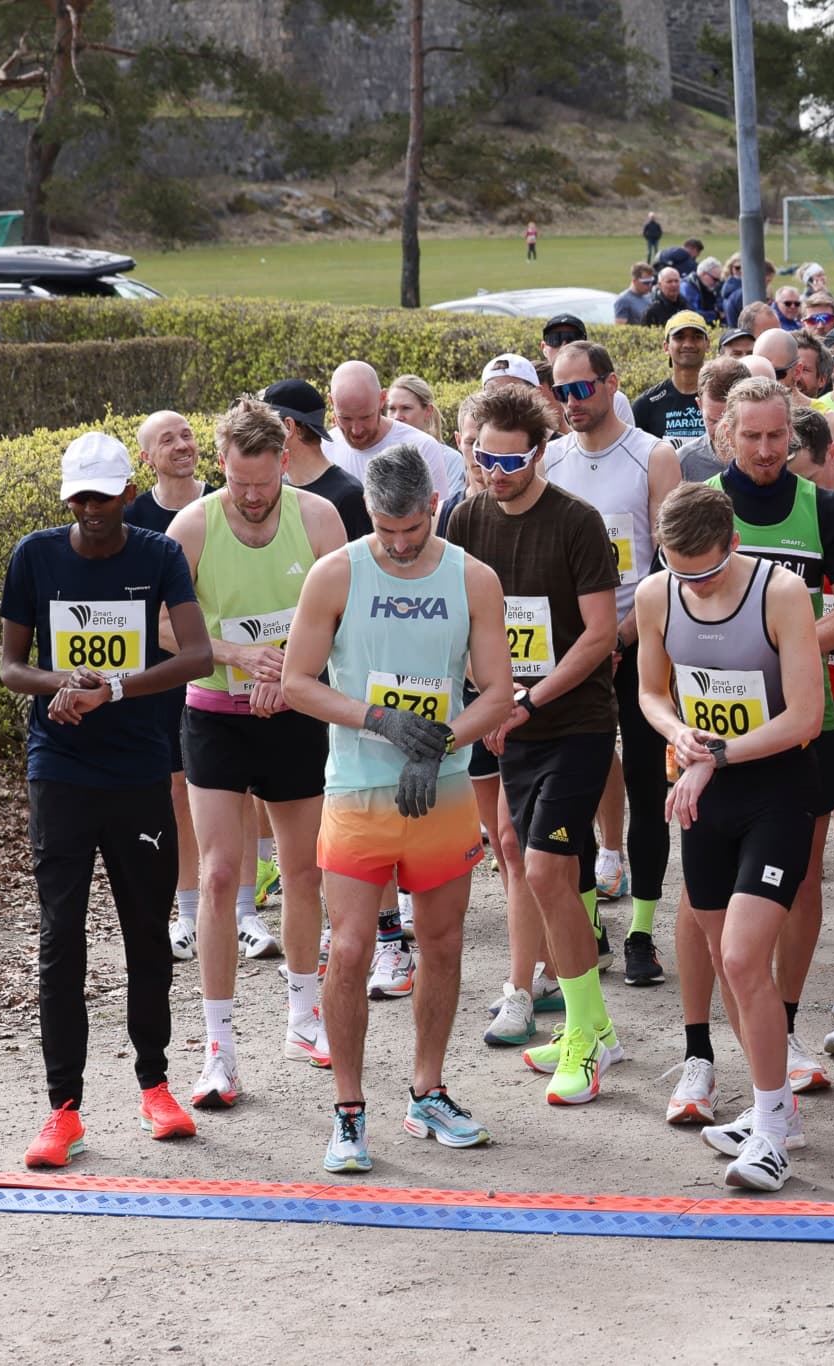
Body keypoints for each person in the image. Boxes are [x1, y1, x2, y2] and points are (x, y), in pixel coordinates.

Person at [281, 445, 514, 1172]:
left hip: (439, 786)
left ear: (435, 508)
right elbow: (296, 682)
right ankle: (348, 1113)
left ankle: (427, 1091)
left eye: (412, 528)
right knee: (349, 947)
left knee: (441, 945)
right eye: (386, 529)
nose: (400, 543)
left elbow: (499, 692)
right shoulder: (337, 573)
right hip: (357, 785)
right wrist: (378, 721)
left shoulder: (472, 577)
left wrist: (440, 739)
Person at [0, 433, 212, 1167]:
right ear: (68, 499)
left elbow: (197, 655)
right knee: (62, 940)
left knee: (147, 934)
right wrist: (58, 685)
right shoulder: (35, 556)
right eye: (78, 497)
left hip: (138, 772)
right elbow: (9, 663)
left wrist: (113, 688)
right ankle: (63, 1110)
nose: (90, 509)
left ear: (128, 493)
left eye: (103, 495)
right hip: (59, 771)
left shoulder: (157, 556)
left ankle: (155, 1086)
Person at [635, 484, 826, 1187]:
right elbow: (652, 692)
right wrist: (676, 731)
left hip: (773, 790)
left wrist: (716, 755)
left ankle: (773, 1127)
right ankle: (774, 1110)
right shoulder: (659, 594)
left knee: (745, 959)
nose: (695, 585)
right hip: (700, 792)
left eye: (708, 572)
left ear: (734, 546)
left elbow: (805, 716)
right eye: (680, 571)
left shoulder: (781, 594)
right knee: (727, 962)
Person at [446, 382, 628, 1102]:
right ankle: (593, 1024)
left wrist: (528, 697)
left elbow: (599, 635)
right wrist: (484, 694)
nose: (496, 471)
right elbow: (453, 620)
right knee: (522, 859)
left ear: (541, 451)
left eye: (510, 461)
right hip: (507, 724)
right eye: (484, 457)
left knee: (551, 870)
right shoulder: (464, 517)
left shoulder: (577, 523)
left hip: (575, 722)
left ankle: (586, 1035)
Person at [166, 399, 349, 1111]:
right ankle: (219, 1048)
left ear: (283, 461)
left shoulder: (319, 518)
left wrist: (291, 674)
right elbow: (162, 626)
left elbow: (342, 612)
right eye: (238, 482)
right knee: (217, 876)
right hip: (215, 715)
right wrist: (239, 656)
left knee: (304, 871)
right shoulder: (191, 527)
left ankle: (303, 1018)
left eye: (262, 481)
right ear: (223, 466)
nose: (249, 496)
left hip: (296, 714)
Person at [709, 378, 834, 1093]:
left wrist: (791, 642)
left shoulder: (823, 506)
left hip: (813, 718)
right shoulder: (707, 507)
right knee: (714, 893)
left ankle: (783, 1020)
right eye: (751, 436)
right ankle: (721, 1041)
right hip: (720, 720)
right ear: (727, 437)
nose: (766, 449)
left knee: (803, 874)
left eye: (777, 436)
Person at [543, 341, 683, 983]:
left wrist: (626, 634)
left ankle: (643, 930)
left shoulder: (653, 454)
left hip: (639, 643)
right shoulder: (553, 459)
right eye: (560, 389)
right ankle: (588, 919)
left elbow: (670, 558)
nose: (571, 402)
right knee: (576, 780)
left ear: (610, 384)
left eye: (582, 388)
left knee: (649, 786)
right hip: (577, 652)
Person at [126, 411, 216, 958]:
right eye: (168, 440)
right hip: (164, 672)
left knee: (244, 788)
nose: (182, 445)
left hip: (232, 666)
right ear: (147, 457)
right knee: (179, 789)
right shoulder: (133, 517)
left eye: (186, 435)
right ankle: (187, 913)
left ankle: (243, 910)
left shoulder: (230, 499)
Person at [324, 362, 466, 503]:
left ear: (382, 399)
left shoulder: (423, 448)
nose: (357, 430)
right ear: (331, 402)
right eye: (346, 418)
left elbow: (437, 519)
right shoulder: (322, 448)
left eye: (365, 417)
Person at [262, 379, 372, 540]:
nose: (256, 433)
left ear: (288, 427)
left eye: (263, 424)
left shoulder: (348, 496)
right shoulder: (276, 487)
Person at [634, 312, 711, 444]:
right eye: (679, 337)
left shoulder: (725, 398)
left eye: (696, 337)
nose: (688, 344)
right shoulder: (646, 404)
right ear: (666, 347)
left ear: (708, 344)